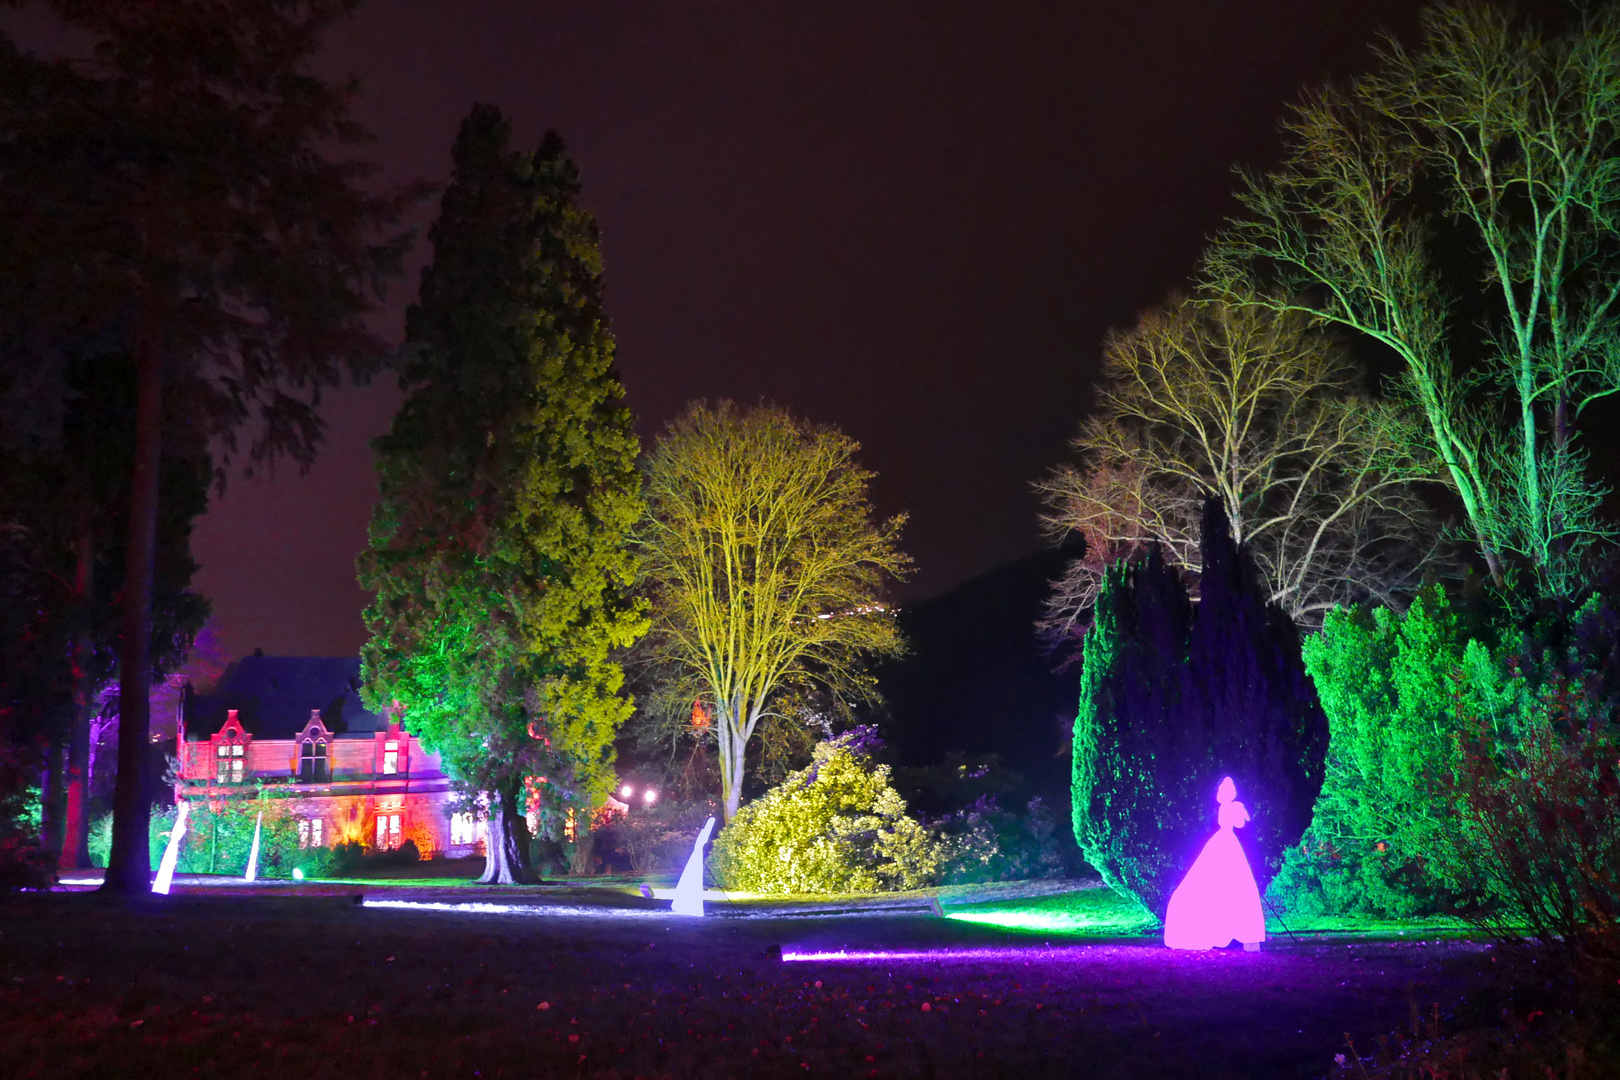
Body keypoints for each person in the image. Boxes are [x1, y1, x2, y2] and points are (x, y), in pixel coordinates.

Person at [1163, 776, 1265, 951]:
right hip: (1222, 843)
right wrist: (1237, 811)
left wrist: (1239, 811)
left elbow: (1240, 824)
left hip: (1229, 844)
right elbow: (1233, 823)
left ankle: (1248, 935)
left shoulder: (1233, 807)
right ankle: (1207, 930)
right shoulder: (1225, 808)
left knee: (1240, 886)